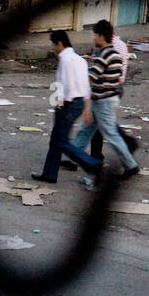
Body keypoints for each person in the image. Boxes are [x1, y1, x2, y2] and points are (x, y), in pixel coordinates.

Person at [70, 21, 142, 180]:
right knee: (85, 130)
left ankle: (131, 165)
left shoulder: (105, 55)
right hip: (105, 99)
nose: (94, 38)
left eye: (95, 35)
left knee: (111, 134)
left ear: (102, 36)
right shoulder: (114, 54)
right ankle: (72, 157)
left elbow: (91, 78)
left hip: (103, 101)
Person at [32, 31, 104, 183]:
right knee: (56, 139)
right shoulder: (80, 59)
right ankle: (49, 173)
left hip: (67, 104)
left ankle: (91, 163)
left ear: (59, 43)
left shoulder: (65, 60)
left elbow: (65, 85)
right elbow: (85, 85)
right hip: (78, 103)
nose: (53, 49)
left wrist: (59, 103)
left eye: (54, 45)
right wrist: (85, 107)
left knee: (60, 141)